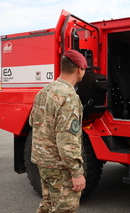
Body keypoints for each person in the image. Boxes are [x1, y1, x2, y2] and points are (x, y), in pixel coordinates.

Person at [29, 49, 87, 213]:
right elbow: (67, 140)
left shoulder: (44, 91)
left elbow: (32, 121)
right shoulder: (69, 97)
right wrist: (77, 172)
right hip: (60, 166)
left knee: (47, 204)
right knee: (64, 208)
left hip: (43, 162)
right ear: (79, 69)